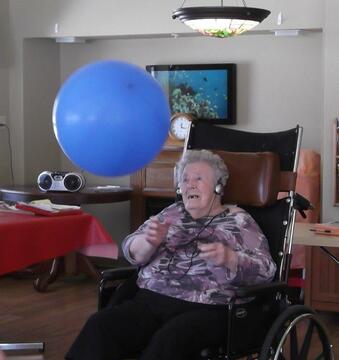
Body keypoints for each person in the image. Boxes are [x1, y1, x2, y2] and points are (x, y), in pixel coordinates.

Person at [65, 149, 277, 360]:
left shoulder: (239, 221)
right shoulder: (171, 213)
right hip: (151, 300)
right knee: (101, 326)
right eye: (184, 179)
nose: (189, 184)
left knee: (170, 340)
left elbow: (266, 269)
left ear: (218, 186)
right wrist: (148, 243)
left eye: (199, 178)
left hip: (209, 307)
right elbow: (131, 249)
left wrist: (230, 259)